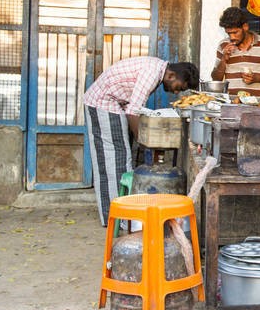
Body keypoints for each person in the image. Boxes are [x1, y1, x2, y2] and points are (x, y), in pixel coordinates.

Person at [83, 57, 198, 227]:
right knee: (115, 159)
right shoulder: (151, 74)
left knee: (120, 157)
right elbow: (133, 111)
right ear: (171, 75)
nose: (175, 93)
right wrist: (142, 140)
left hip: (114, 103)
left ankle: (121, 215)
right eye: (178, 88)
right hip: (102, 102)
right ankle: (116, 218)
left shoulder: (157, 69)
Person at [211, 6, 260, 97]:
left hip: (255, 104)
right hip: (231, 104)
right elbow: (215, 79)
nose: (232, 37)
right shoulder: (223, 45)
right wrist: (224, 60)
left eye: (235, 32)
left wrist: (257, 78)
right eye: (229, 33)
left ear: (245, 27)